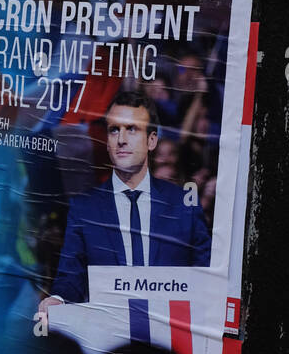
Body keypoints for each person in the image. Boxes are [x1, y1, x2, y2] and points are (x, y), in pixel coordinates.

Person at [39, 87, 212, 308]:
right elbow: (71, 279)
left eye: (132, 129)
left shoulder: (184, 205)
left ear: (151, 141)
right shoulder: (84, 208)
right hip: (109, 336)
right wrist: (58, 299)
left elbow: (204, 277)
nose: (121, 139)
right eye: (114, 130)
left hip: (169, 336)